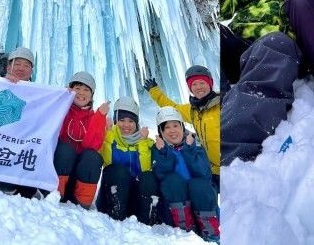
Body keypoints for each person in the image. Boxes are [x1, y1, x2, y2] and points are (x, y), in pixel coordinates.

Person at [218, 0, 314, 164]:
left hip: (279, 48)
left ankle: (233, 145)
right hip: (241, 41)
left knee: (277, 43)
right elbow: (223, 8)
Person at [143, 65, 220, 191]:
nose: (199, 87)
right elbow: (173, 108)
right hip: (211, 169)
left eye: (202, 82)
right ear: (190, 88)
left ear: (210, 84)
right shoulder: (193, 110)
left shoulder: (221, 105)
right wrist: (154, 91)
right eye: (194, 84)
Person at [151, 106, 219, 242]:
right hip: (174, 204)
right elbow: (161, 173)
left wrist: (190, 150)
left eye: (175, 125)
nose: (172, 131)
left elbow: (204, 174)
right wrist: (165, 152)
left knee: (199, 184)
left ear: (182, 127)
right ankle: (185, 229)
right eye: (167, 127)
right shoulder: (158, 149)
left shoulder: (195, 145)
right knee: (172, 180)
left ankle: (210, 231)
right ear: (161, 132)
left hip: (201, 200)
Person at [97, 97, 159, 225]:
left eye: (131, 121)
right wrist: (108, 136)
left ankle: (146, 218)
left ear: (136, 123)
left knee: (148, 176)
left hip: (134, 201)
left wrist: (142, 142)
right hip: (110, 198)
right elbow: (107, 164)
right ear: (115, 121)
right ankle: (116, 214)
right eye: (121, 120)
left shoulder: (145, 141)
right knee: (117, 171)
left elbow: (145, 170)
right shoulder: (108, 136)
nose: (126, 125)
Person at [54, 71, 108, 209]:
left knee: (93, 156)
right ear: (70, 89)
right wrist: (61, 99)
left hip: (79, 178)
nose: (81, 93)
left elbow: (92, 145)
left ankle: (82, 201)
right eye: (77, 88)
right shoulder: (60, 108)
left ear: (91, 95)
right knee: (65, 149)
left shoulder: (94, 117)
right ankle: (55, 193)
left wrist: (100, 117)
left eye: (86, 90)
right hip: (59, 173)